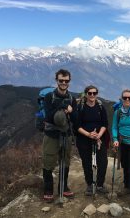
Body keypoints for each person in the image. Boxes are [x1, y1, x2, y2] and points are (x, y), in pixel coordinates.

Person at [42, 69, 77, 202]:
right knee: (48, 162)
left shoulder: (72, 98)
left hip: (66, 134)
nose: (63, 83)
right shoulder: (49, 97)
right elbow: (49, 116)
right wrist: (63, 109)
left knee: (65, 161)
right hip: (51, 135)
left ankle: (63, 187)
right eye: (61, 80)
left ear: (69, 82)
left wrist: (71, 112)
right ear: (56, 80)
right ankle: (48, 189)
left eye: (66, 81)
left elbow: (75, 118)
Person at [76, 85, 109, 196]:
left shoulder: (100, 107)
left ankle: (99, 184)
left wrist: (98, 135)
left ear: (97, 94)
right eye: (90, 93)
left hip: (99, 138)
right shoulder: (81, 107)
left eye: (94, 93)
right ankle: (90, 184)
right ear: (86, 94)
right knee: (87, 162)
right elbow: (77, 126)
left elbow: (105, 124)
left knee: (103, 162)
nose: (92, 95)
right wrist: (89, 134)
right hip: (84, 139)